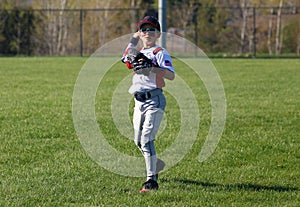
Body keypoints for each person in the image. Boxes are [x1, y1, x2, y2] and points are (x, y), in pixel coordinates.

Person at [122, 16, 175, 193]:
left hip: (154, 100)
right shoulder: (136, 51)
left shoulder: (159, 52)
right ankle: (156, 164)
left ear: (158, 33)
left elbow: (170, 75)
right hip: (138, 101)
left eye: (152, 29)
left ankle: (151, 181)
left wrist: (152, 67)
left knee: (146, 139)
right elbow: (126, 56)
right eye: (144, 29)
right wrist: (133, 39)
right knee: (138, 141)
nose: (147, 33)